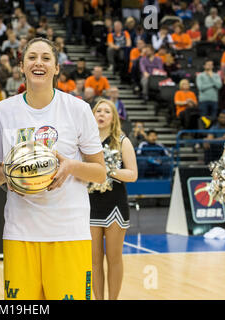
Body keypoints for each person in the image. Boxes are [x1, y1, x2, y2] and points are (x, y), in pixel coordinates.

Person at [0, 37, 106, 300]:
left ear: (56, 68)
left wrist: (71, 166)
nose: (38, 63)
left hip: (68, 232)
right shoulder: (3, 112)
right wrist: (14, 176)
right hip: (20, 231)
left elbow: (100, 172)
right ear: (21, 66)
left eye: (45, 58)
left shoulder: (78, 109)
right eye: (31, 57)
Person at [89, 99, 137, 300]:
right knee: (94, 260)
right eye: (98, 110)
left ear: (113, 117)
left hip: (115, 205)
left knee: (114, 258)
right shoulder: (85, 141)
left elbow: (132, 174)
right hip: (90, 205)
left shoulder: (122, 140)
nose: (101, 114)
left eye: (106, 111)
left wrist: (108, 170)